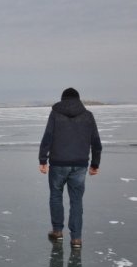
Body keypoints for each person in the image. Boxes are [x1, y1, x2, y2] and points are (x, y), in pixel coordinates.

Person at [39, 88, 101, 248]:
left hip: (58, 164)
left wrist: (43, 160)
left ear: (62, 99)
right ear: (78, 99)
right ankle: (76, 239)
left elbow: (47, 136)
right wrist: (95, 164)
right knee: (76, 201)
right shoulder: (88, 116)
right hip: (79, 165)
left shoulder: (55, 114)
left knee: (55, 196)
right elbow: (96, 142)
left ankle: (57, 231)